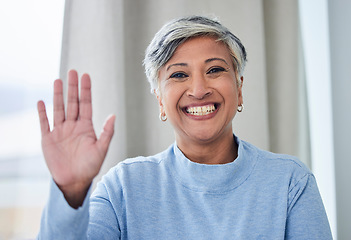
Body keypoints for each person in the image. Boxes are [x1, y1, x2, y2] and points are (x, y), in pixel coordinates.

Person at [37, 16, 332, 239]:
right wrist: (70, 192)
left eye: (215, 69)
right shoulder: (123, 188)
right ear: (161, 101)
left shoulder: (291, 183)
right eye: (179, 74)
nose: (199, 89)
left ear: (239, 89)